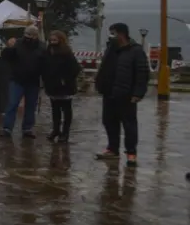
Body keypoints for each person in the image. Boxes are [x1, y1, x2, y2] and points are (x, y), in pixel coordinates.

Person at [94, 22, 149, 167]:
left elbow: (142, 73)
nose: (111, 36)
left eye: (113, 33)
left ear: (122, 34)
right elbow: (104, 68)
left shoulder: (136, 51)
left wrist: (138, 93)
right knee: (109, 122)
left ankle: (131, 153)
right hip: (109, 93)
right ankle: (112, 149)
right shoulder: (111, 49)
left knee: (129, 125)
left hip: (126, 94)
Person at [0, 25, 44, 138]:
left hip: (33, 82)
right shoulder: (17, 43)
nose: (28, 37)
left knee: (31, 106)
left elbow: (46, 64)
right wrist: (9, 47)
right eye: (26, 35)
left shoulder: (42, 46)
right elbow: (5, 57)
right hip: (17, 80)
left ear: (36, 36)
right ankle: (7, 128)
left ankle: (27, 128)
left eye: (31, 35)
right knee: (12, 104)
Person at [43, 30, 81, 143]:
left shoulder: (66, 52)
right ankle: (55, 130)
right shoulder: (48, 52)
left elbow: (75, 68)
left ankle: (65, 133)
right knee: (55, 110)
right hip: (52, 86)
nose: (53, 42)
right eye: (51, 40)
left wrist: (66, 79)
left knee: (66, 110)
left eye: (55, 40)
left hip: (65, 86)